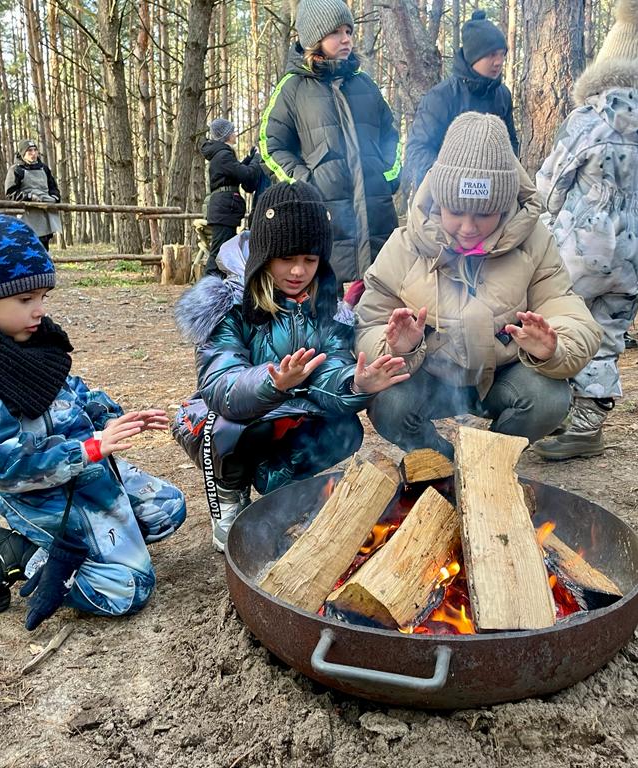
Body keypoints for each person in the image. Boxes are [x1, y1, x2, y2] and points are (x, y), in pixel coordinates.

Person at [0, 216, 186, 630]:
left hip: (81, 467)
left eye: (42, 296)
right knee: (128, 589)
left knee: (166, 509)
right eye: (25, 300)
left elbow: (65, 388)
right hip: (36, 487)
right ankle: (8, 550)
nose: (39, 310)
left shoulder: (20, 335)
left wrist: (111, 418)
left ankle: (90, 544)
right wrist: (88, 448)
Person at [172, 182, 408, 551]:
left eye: (310, 260)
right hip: (225, 417)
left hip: (295, 410)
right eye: (287, 259)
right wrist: (272, 383)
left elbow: (329, 372)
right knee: (235, 428)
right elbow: (219, 383)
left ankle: (275, 487)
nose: (299, 271)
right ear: (266, 254)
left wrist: (355, 383)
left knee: (346, 430)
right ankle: (229, 495)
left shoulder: (327, 308)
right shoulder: (227, 305)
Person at [355, 112, 602, 460]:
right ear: (439, 201)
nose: (468, 228)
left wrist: (552, 347)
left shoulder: (534, 242)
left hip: (502, 376)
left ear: (504, 208)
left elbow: (565, 306)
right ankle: (440, 462)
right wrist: (398, 348)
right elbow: (369, 320)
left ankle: (488, 462)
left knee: (550, 399)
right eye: (455, 211)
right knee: (387, 403)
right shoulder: (406, 244)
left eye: (484, 214)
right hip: (430, 375)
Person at [532, 0, 638, 460]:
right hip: (633, 241)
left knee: (559, 318)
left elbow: (552, 183)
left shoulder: (590, 118)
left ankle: (548, 410)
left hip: (580, 239)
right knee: (609, 329)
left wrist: (540, 226)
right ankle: (588, 421)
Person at [259, 0, 401, 286]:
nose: (347, 38)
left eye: (349, 30)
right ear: (314, 37)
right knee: (328, 312)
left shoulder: (366, 85)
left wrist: (388, 176)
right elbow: (270, 146)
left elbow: (391, 135)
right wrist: (305, 185)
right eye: (337, 32)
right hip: (324, 219)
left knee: (381, 307)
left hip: (377, 216)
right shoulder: (292, 88)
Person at [404, 10, 518, 190]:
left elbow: (510, 144)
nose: (498, 61)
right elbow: (418, 151)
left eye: (502, 54)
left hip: (494, 197)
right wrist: (454, 182)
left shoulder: (502, 95)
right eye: (491, 55)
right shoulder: (441, 97)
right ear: (473, 56)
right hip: (445, 199)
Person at [200, 118, 264, 276]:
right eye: (232, 131)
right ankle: (205, 291)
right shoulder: (223, 155)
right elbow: (246, 174)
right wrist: (256, 159)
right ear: (226, 135)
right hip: (224, 209)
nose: (235, 134)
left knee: (222, 251)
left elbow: (236, 171)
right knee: (219, 253)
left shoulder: (221, 155)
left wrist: (249, 158)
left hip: (224, 209)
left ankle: (213, 289)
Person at [4, 139, 62, 251]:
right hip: (27, 215)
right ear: (23, 153)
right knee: (28, 246)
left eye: (35, 150)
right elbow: (11, 193)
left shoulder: (44, 168)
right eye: (29, 151)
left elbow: (53, 187)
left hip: (45, 212)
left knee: (44, 247)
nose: (33, 153)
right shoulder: (16, 170)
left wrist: (55, 197)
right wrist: (29, 197)